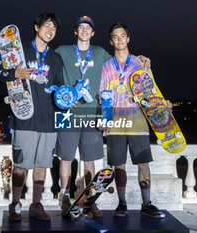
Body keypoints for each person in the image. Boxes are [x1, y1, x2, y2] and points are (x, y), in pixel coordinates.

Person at [54, 16, 151, 217]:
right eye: (80, 27)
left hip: (92, 113)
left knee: (89, 161)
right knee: (66, 158)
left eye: (88, 28)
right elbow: (47, 67)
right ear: (75, 31)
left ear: (93, 33)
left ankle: (89, 201)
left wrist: (140, 57)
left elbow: (121, 58)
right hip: (67, 114)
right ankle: (64, 198)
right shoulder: (62, 51)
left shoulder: (100, 53)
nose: (84, 30)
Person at [0, 12, 63, 221]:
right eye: (47, 26)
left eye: (54, 28)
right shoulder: (19, 50)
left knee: (42, 166)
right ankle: (15, 204)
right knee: (20, 166)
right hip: (24, 117)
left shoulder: (55, 58)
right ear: (36, 27)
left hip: (48, 120)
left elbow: (60, 89)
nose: (50, 31)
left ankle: (36, 205)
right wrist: (14, 74)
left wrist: (66, 99)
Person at [99, 22, 171, 218]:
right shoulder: (106, 66)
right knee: (118, 164)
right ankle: (122, 204)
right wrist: (105, 119)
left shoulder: (140, 63)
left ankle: (146, 203)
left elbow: (151, 92)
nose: (119, 39)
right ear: (111, 41)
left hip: (138, 120)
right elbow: (104, 94)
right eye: (115, 36)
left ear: (128, 38)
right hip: (115, 122)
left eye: (123, 35)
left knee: (143, 163)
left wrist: (163, 106)